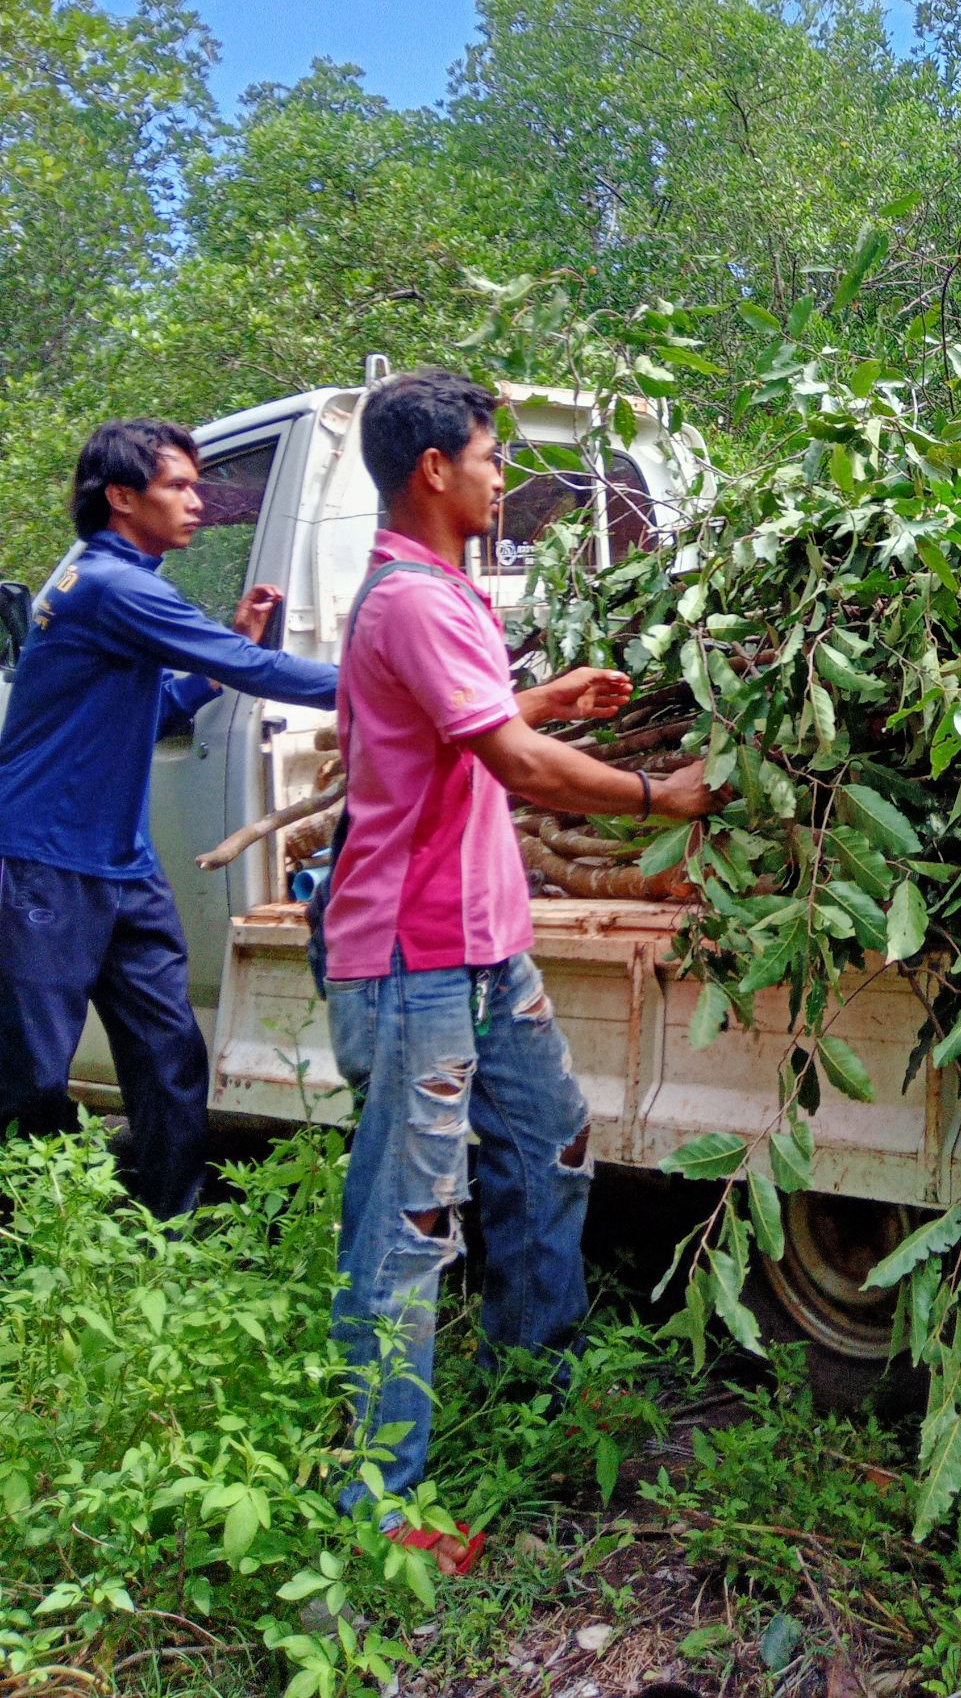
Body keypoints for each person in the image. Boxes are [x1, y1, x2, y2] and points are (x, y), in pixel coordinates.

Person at [322, 368, 718, 1571]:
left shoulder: (445, 594)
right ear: (434, 470)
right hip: (411, 967)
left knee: (551, 1151)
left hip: (487, 953)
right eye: (493, 457)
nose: (506, 475)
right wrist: (664, 794)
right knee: (406, 1229)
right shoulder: (410, 601)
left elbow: (468, 725)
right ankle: (376, 1510)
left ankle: (535, 1381)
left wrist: (544, 696)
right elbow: (519, 768)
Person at [0, 419, 339, 1219]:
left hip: (122, 865)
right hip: (45, 861)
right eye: (178, 486)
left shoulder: (103, 580)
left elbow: (150, 710)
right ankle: (27, 1247)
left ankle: (168, 1226)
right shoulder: (117, 587)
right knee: (34, 1075)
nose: (198, 501)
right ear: (122, 497)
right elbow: (255, 669)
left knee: (168, 1057)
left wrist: (226, 651)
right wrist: (394, 678)